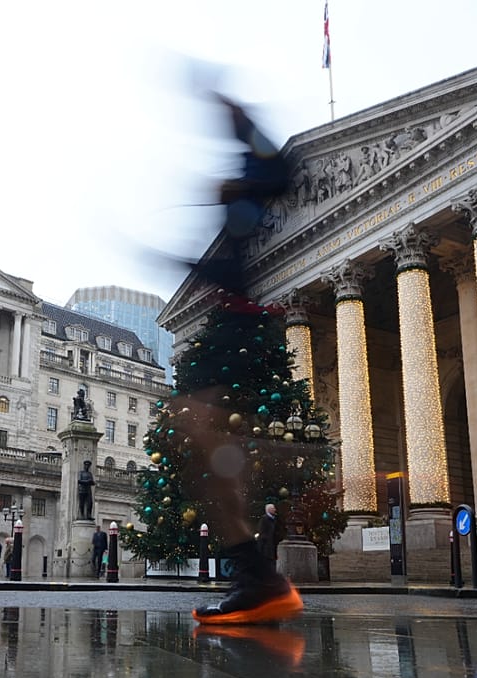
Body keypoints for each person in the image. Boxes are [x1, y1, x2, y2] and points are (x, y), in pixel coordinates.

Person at [176, 94, 304, 626]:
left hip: (242, 340)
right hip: (231, 337)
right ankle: (256, 577)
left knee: (212, 455)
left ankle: (259, 579)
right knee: (209, 461)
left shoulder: (253, 196)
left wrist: (241, 120)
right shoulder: (235, 220)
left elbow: (281, 167)